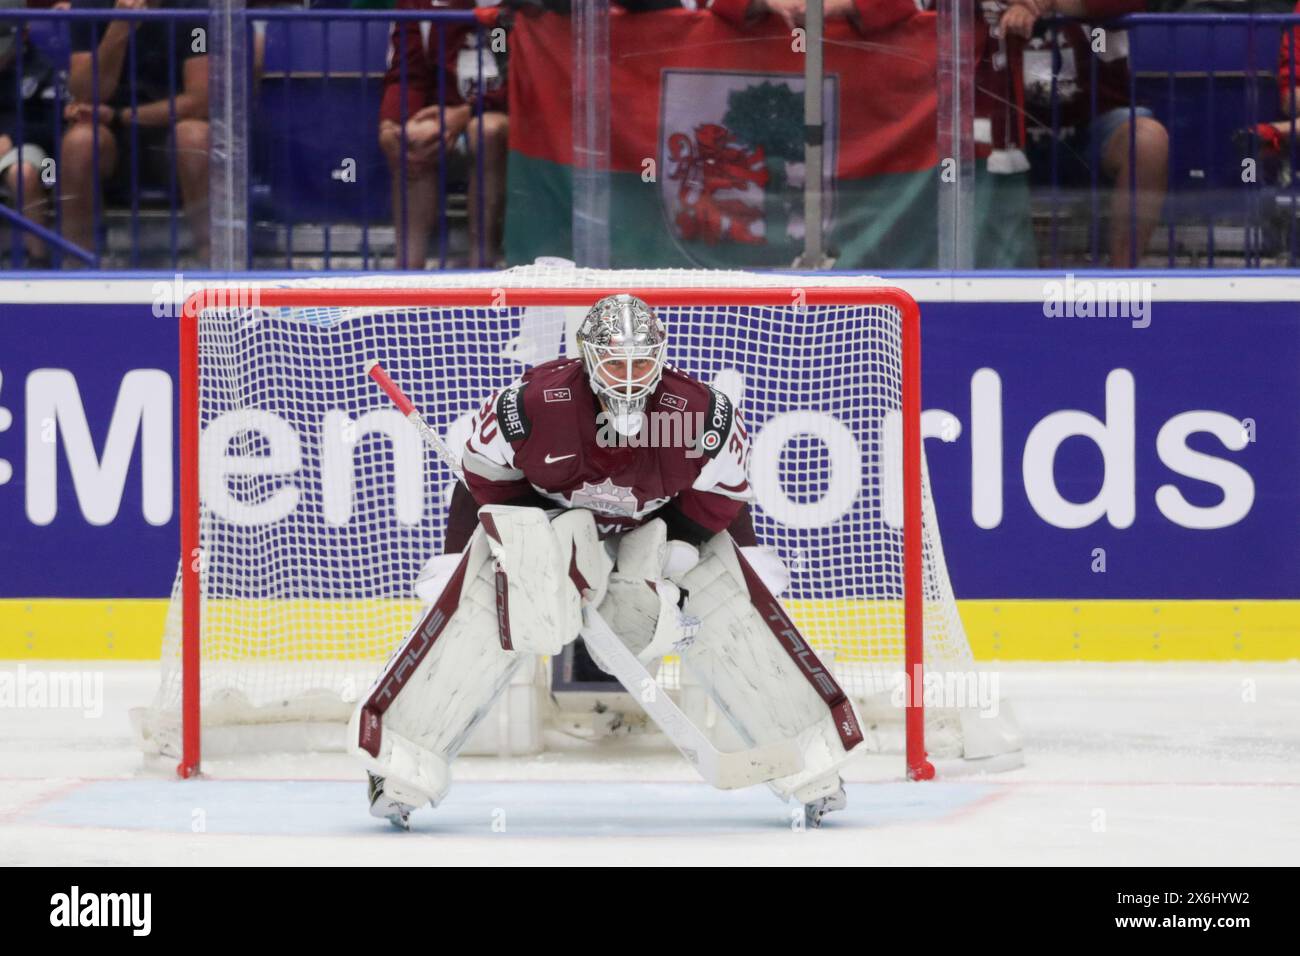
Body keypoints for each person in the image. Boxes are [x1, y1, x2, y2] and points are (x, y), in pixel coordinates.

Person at [350, 294, 862, 828]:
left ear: (661, 358)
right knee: (490, 618)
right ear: (587, 358)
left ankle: (816, 767)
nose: (628, 377)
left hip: (661, 527)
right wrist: (523, 545)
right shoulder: (535, 406)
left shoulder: (695, 414)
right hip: (552, 521)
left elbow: (725, 493)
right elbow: (479, 476)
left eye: (641, 363)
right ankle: (399, 770)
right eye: (615, 362)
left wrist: (681, 549)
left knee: (728, 616)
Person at [1003, 0, 1169, 266]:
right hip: (1006, 139)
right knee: (956, 141)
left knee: (1147, 141)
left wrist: (1046, 3)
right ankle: (978, 278)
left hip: (1092, 131)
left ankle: (1122, 279)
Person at [60, 0, 210, 265]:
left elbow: (199, 100)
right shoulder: (87, 6)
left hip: (169, 136)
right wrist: (119, 29)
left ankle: (214, 265)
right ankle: (77, 268)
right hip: (110, 141)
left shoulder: (194, 9)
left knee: (194, 135)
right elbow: (85, 93)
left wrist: (123, 116)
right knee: (79, 141)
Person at [379, 0, 508, 269]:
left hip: (501, 111)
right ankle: (406, 275)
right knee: (413, 137)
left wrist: (467, 112)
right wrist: (391, 124)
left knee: (486, 131)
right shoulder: (416, 7)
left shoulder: (505, 11)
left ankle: (481, 269)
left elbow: (513, 77)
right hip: (443, 115)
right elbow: (408, 75)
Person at [0, 0, 60, 266]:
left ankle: (38, 260)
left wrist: (11, 137)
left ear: (22, 34)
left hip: (35, 152)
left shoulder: (43, 69)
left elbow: (52, 127)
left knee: (22, 173)